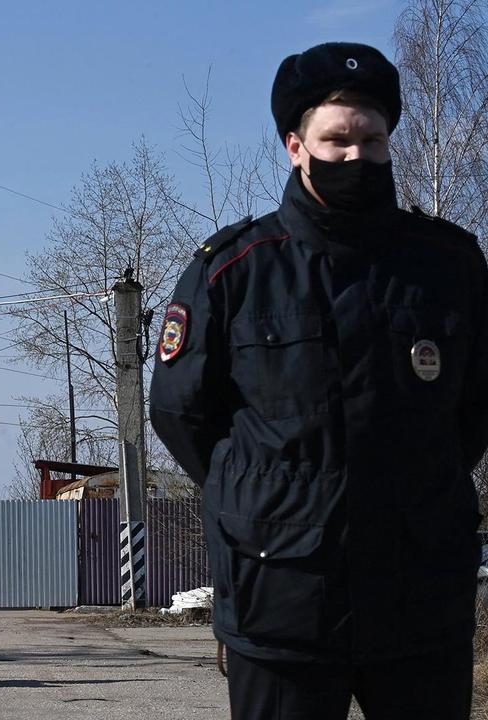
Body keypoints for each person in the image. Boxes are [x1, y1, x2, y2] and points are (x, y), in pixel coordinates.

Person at [149, 41, 488, 719]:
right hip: (282, 601)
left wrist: (420, 482)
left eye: (373, 138)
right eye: (337, 140)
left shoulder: (448, 265)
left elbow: (477, 405)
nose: (356, 155)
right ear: (295, 146)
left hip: (419, 596)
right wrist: (264, 498)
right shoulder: (234, 271)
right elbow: (182, 411)